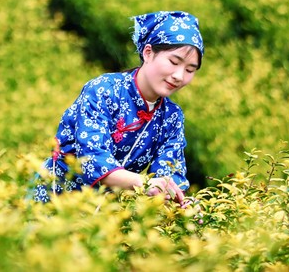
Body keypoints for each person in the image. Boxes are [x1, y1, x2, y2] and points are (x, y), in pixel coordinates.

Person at [32, 10, 204, 205]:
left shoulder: (171, 117)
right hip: (53, 199)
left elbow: (171, 174)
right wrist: (146, 184)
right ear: (148, 53)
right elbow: (93, 160)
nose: (179, 76)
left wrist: (181, 202)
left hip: (101, 215)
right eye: (174, 62)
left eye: (190, 70)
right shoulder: (103, 89)